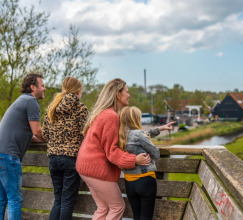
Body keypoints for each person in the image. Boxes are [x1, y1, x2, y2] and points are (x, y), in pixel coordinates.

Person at [76, 78, 151, 220]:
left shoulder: (102, 113)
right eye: (127, 92)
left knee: (103, 208)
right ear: (118, 94)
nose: (129, 95)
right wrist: (134, 159)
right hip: (96, 170)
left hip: (85, 168)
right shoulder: (111, 116)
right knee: (117, 207)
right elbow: (111, 151)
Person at [0, 73, 46, 219]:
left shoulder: (21, 100)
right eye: (42, 85)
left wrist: (41, 139)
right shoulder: (31, 101)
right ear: (33, 87)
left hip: (1, 154)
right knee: (14, 199)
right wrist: (54, 138)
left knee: (2, 200)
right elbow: (38, 131)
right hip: (9, 156)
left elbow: (30, 135)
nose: (45, 88)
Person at [42, 77, 88, 220]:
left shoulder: (52, 107)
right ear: (78, 91)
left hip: (53, 159)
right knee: (67, 202)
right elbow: (87, 132)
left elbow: (45, 133)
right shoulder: (80, 108)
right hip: (71, 158)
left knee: (58, 200)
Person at [118, 106, 174, 220]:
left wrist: (161, 128)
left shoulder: (121, 136)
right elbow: (156, 153)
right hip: (145, 180)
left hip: (129, 182)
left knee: (137, 216)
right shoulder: (139, 134)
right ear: (136, 119)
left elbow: (144, 134)